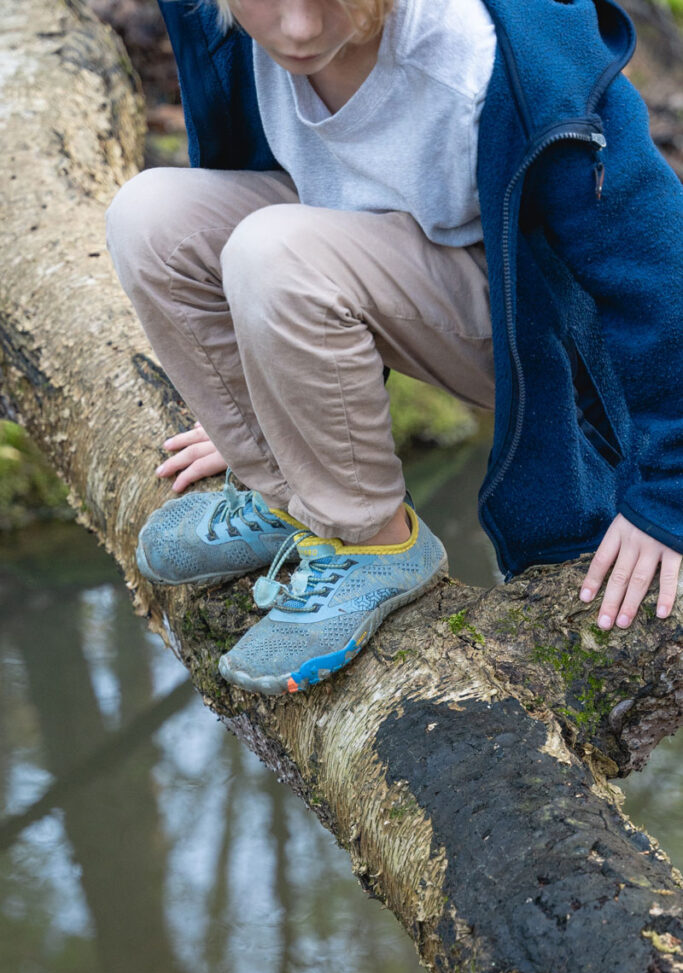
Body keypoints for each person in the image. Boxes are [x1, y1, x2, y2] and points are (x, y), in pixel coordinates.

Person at [106, 0, 683, 696]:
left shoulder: (501, 63)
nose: (295, 29)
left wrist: (667, 498)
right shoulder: (217, 20)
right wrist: (266, 404)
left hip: (526, 327)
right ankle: (288, 496)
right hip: (363, 253)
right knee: (150, 215)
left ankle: (376, 544)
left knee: (275, 252)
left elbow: (662, 276)